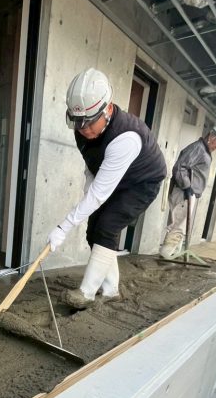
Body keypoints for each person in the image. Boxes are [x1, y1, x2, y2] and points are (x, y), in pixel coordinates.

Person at [47, 68, 167, 309]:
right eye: (77, 123)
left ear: (108, 109)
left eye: (89, 123)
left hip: (142, 182)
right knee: (94, 231)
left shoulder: (126, 138)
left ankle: (86, 293)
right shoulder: (83, 128)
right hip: (115, 176)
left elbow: (100, 193)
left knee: (108, 225)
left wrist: (64, 226)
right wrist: (86, 206)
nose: (83, 129)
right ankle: (111, 290)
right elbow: (92, 169)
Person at [159, 124, 216, 259]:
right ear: (211, 136)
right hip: (184, 192)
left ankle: (174, 255)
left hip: (189, 193)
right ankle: (165, 256)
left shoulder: (204, 151)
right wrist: (187, 187)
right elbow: (179, 167)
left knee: (180, 228)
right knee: (177, 227)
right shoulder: (198, 148)